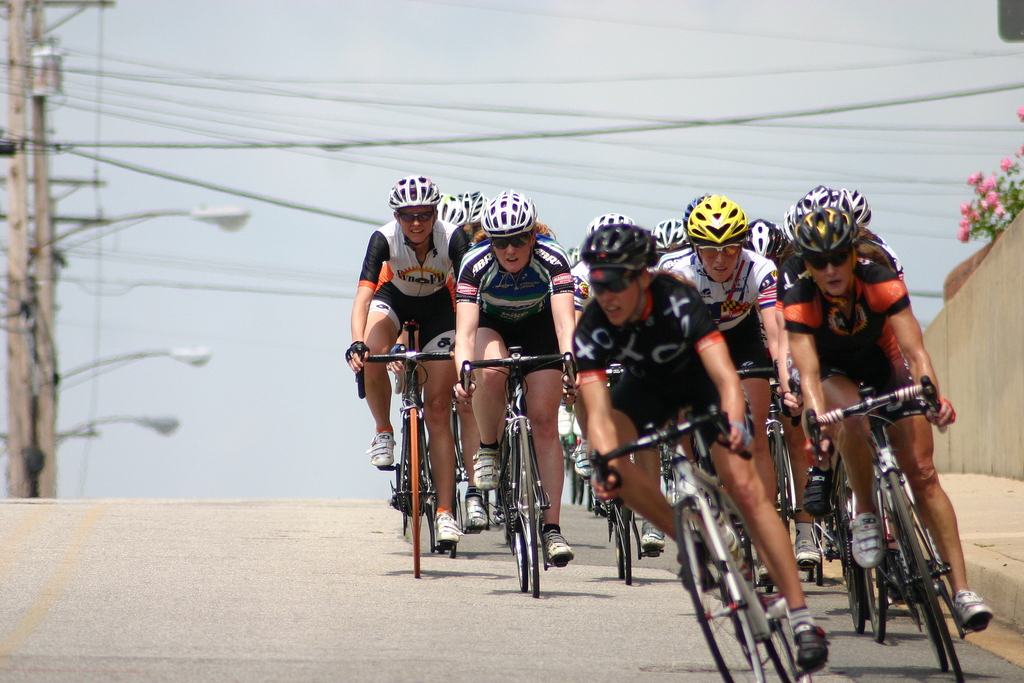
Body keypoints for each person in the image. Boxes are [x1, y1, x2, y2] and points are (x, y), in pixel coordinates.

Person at [574, 223, 828, 673]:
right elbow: (595, 411)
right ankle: (689, 541)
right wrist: (603, 461)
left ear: (641, 278)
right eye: (596, 282)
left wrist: (734, 421)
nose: (605, 295)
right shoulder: (593, 323)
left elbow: (727, 377)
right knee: (610, 458)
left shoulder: (676, 298)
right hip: (645, 390)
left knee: (746, 489)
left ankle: (802, 617)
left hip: (702, 384)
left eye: (614, 283)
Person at [782, 204, 993, 633]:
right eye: (818, 262)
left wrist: (932, 396)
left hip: (885, 362)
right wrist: (814, 421)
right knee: (853, 420)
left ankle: (962, 590)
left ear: (853, 255)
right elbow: (807, 375)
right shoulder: (800, 299)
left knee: (924, 473)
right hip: (834, 372)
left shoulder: (880, 281)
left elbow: (915, 353)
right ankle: (866, 514)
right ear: (807, 266)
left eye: (838, 257)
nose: (829, 269)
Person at [347, 175, 483, 549]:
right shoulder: (383, 238)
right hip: (395, 300)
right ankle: (383, 431)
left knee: (438, 409)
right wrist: (357, 343)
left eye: (424, 214)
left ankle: (443, 513)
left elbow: (472, 291)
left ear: (435, 213)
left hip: (440, 308)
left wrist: (466, 347)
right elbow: (362, 297)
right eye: (408, 216)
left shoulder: (454, 238)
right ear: (397, 216)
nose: (417, 222)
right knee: (373, 353)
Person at [453, 190, 578, 566]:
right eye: (501, 242)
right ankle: (489, 447)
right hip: (493, 327)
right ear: (489, 241)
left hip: (539, 326)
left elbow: (563, 322)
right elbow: (465, 334)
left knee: (544, 422)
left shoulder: (553, 257)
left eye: (520, 240)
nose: (510, 250)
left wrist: (570, 364)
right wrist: (463, 369)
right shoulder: (474, 264)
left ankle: (552, 529)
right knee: (490, 372)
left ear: (533, 236)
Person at [660, 196, 781, 558]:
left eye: (730, 249)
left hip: (742, 339)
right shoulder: (675, 268)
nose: (719, 259)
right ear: (694, 247)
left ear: (742, 245)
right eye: (709, 250)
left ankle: (765, 525)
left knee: (756, 431)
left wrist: (788, 379)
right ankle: (687, 478)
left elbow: (776, 333)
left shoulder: (761, 268)